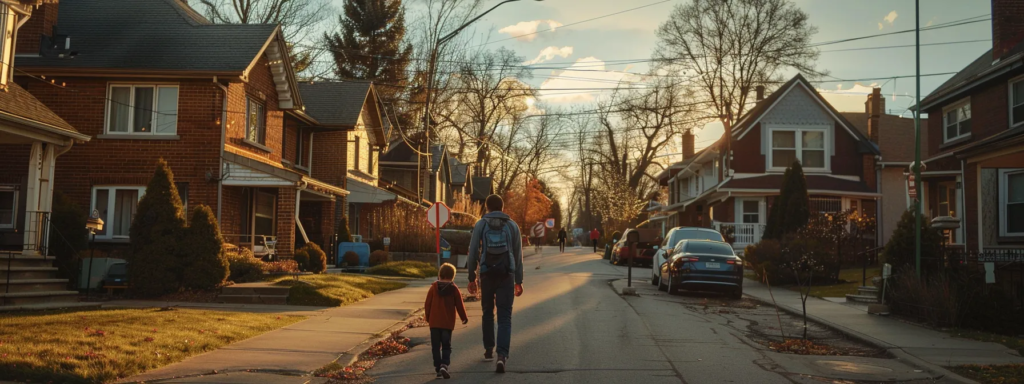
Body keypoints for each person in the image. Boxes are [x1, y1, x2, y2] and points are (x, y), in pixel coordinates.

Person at [466, 194, 524, 373]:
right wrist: (519, 280)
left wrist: (471, 277)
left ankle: (489, 349)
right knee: (505, 316)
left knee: (487, 312)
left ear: (487, 207)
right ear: (502, 207)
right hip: (507, 274)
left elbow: (473, 251)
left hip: (487, 273)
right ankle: (502, 356)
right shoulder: (512, 226)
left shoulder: (480, 224)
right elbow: (518, 254)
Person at [424, 263, 468, 379]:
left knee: (435, 346)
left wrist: (428, 317)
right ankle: (444, 364)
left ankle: (438, 368)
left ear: (440, 274)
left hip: (434, 323)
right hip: (447, 324)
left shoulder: (433, 287)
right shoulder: (454, 288)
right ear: (452, 276)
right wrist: (464, 317)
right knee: (446, 346)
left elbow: (427, 304)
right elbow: (459, 304)